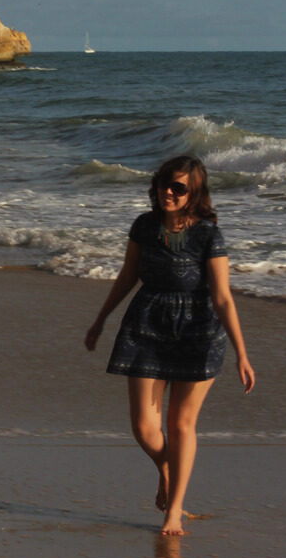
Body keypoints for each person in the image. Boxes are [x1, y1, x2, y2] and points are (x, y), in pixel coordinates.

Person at [84, 154, 255, 536]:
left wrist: (243, 353)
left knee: (180, 425)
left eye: (178, 187)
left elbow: (223, 297)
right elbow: (129, 274)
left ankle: (174, 511)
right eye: (164, 183)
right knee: (144, 428)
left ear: (194, 193)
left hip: (198, 330)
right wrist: (101, 319)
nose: (169, 192)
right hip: (146, 324)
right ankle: (167, 468)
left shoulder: (209, 234)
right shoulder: (144, 226)